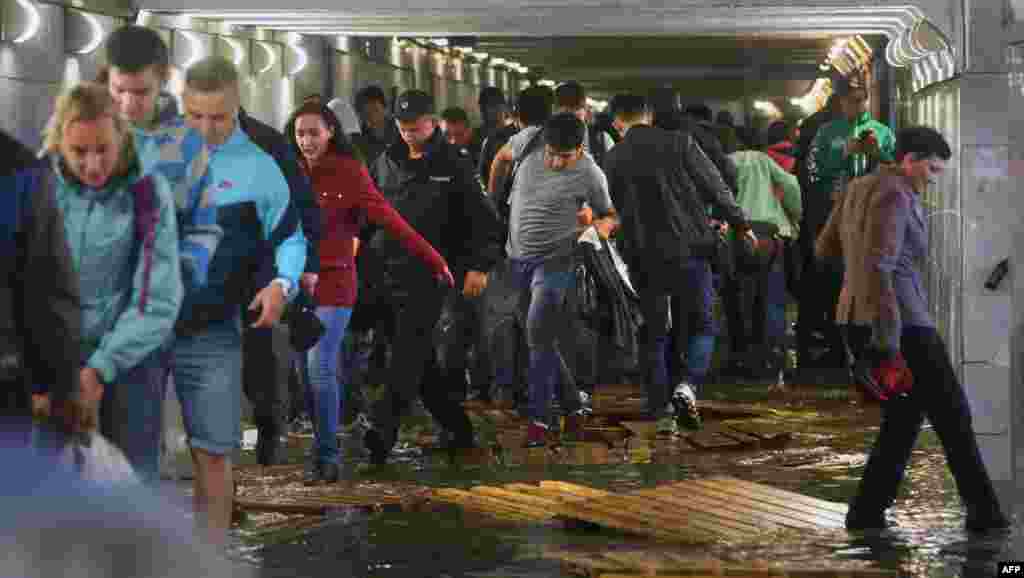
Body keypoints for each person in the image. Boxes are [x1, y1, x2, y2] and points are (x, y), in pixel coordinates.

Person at [819, 126, 1010, 533]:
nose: (933, 177)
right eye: (932, 168)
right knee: (953, 414)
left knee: (904, 419)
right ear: (910, 159)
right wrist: (887, 340)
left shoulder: (859, 187)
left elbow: (826, 248)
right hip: (901, 322)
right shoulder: (896, 193)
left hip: (856, 316)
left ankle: (867, 513)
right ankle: (985, 515)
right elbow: (882, 266)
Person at [157, 56, 307, 544]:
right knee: (130, 455)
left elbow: (290, 235)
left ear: (237, 107)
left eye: (217, 117)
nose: (205, 127)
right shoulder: (151, 155)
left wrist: (281, 284)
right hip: (144, 328)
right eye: (195, 115)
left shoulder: (262, 165)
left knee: (214, 453)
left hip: (214, 328)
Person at [286, 101, 453, 482]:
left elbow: (389, 218)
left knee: (320, 365)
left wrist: (433, 258)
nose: (307, 141)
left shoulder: (349, 171)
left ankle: (326, 458)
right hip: (296, 284)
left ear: (331, 132)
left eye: (314, 132)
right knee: (304, 372)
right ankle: (324, 441)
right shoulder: (287, 171)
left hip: (336, 281)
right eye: (300, 134)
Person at [40, 83, 183, 485]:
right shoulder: (38, 190)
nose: (92, 164)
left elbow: (157, 296)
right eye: (79, 151)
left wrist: (101, 368)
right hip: (57, 355)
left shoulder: (147, 193)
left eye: (103, 149)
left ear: (122, 137)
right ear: (60, 145)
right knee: (46, 488)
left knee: (132, 485)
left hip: (131, 354)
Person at [361, 90, 503, 465]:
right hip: (386, 270)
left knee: (406, 353)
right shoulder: (386, 161)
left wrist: (480, 265)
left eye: (416, 126)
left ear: (433, 121)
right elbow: (368, 210)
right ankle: (456, 426)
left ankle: (381, 430)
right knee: (419, 359)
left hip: (432, 274)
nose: (408, 133)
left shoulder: (454, 163)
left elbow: (485, 221)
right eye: (402, 127)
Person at [604, 95, 751, 435]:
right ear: (649, 116)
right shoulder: (680, 143)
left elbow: (605, 207)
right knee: (702, 324)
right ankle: (687, 385)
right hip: (690, 249)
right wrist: (740, 224)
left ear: (616, 123)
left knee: (653, 331)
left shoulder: (612, 157)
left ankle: (658, 409)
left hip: (641, 255)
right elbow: (715, 186)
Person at [489, 112, 617, 447]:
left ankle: (540, 420)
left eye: (565, 157)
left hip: (557, 261)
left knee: (536, 332)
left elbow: (610, 216)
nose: (556, 162)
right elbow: (500, 159)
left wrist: (595, 228)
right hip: (516, 259)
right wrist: (493, 202)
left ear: (579, 150)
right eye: (551, 154)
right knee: (540, 338)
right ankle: (573, 405)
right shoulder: (526, 143)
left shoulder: (591, 173)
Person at [801, 74, 895, 372]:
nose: (857, 105)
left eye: (861, 99)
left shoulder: (881, 132)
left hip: (872, 218)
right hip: (837, 216)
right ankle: (839, 345)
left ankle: (867, 347)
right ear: (841, 101)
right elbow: (812, 172)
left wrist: (875, 153)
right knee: (833, 279)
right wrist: (844, 155)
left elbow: (896, 168)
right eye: (851, 100)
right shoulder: (828, 133)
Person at [0, 129, 82, 440]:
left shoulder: (21, 173)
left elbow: (46, 290)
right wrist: (63, 390)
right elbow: (48, 290)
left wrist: (60, 388)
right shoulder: (20, 170)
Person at [723, 129, 802, 384]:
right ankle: (770, 354)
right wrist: (795, 213)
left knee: (737, 296)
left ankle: (740, 354)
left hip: (736, 235)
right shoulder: (762, 160)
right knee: (771, 296)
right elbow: (790, 183)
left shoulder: (726, 161)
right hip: (767, 236)